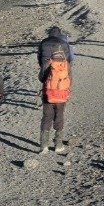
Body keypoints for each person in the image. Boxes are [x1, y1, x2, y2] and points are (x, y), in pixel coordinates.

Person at [37, 26, 74, 154]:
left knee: (47, 116)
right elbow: (69, 75)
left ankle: (44, 146)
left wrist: (46, 78)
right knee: (59, 115)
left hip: (48, 91)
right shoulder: (65, 59)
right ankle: (58, 145)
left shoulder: (44, 45)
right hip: (62, 91)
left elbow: (41, 76)